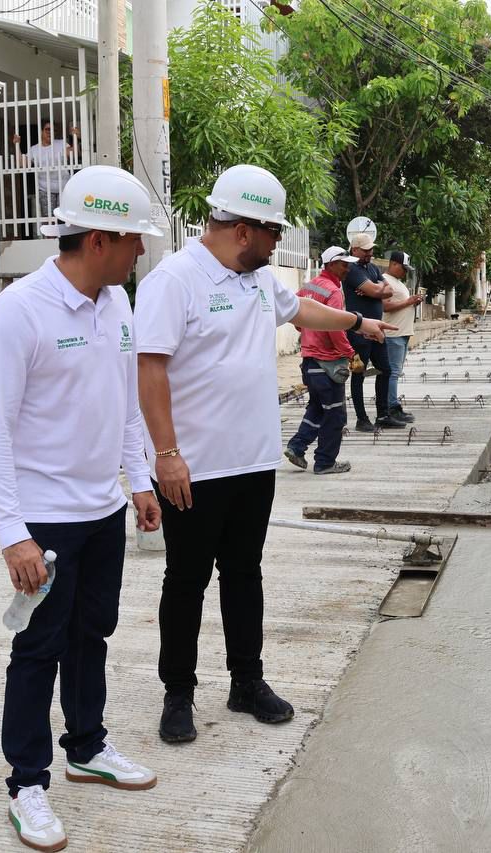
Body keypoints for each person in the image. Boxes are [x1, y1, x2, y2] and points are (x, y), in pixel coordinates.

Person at [134, 164, 396, 747]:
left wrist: (360, 322)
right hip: (195, 467)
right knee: (186, 580)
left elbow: (301, 311)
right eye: (273, 231)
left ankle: (245, 682)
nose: (280, 241)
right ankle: (179, 691)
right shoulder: (174, 280)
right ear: (244, 228)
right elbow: (148, 368)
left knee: (244, 574)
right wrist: (166, 454)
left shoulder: (256, 279)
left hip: (253, 462)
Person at [0, 165, 163, 853]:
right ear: (101, 239)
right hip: (44, 519)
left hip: (100, 510)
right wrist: (11, 533)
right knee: (39, 646)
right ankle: (28, 780)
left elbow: (122, 404)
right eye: (134, 239)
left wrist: (137, 480)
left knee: (93, 633)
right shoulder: (22, 309)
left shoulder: (116, 303)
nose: (141, 250)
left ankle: (86, 744)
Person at [285, 246, 359, 474]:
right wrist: (350, 353)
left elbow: (291, 311)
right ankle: (325, 462)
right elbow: (335, 328)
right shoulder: (333, 292)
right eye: (344, 264)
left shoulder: (309, 286)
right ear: (331, 265)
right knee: (335, 414)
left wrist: (304, 329)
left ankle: (297, 448)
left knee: (317, 408)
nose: (348, 269)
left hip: (309, 362)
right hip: (327, 363)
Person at [343, 234, 404, 431]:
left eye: (371, 250)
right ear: (354, 250)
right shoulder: (351, 269)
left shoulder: (372, 268)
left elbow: (386, 291)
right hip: (358, 331)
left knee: (385, 369)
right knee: (359, 373)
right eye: (366, 250)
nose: (370, 253)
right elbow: (379, 291)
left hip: (377, 328)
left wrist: (376, 289)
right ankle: (362, 419)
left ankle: (383, 414)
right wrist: (377, 289)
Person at [381, 250, 423, 424]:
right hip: (393, 334)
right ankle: (391, 407)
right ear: (394, 264)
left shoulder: (397, 282)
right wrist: (408, 302)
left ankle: (393, 405)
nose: (405, 272)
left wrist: (413, 301)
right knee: (392, 372)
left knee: (395, 372)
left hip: (402, 333)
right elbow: (384, 306)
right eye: (404, 268)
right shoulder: (384, 280)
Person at [13, 121, 79, 227]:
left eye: (53, 130)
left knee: (64, 219)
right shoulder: (34, 149)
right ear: (41, 131)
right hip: (45, 189)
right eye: (47, 129)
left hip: (64, 187)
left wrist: (75, 137)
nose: (50, 132)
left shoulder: (61, 143)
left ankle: (63, 240)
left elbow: (73, 154)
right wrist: (17, 145)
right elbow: (23, 164)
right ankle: (51, 240)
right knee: (49, 219)